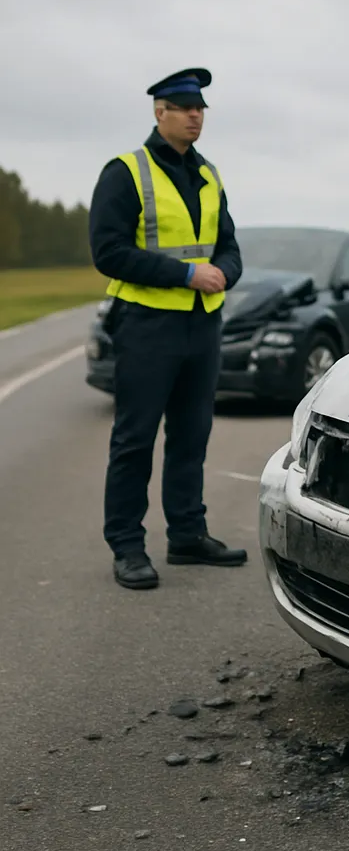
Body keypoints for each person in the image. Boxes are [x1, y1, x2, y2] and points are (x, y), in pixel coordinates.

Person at [89, 67, 247, 590]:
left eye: (200, 108)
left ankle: (186, 535)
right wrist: (185, 273)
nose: (195, 116)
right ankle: (128, 548)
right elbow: (108, 252)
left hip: (202, 326)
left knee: (191, 436)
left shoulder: (208, 174)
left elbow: (227, 244)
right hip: (147, 325)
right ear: (160, 113)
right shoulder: (126, 172)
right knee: (134, 440)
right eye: (184, 108)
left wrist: (225, 270)